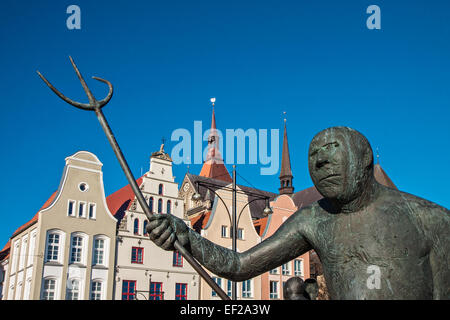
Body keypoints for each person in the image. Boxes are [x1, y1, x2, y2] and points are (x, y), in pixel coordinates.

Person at [147, 126, 450, 299]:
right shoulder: (313, 219)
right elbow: (238, 265)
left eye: (330, 149)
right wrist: (184, 234)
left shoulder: (432, 219)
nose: (319, 163)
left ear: (365, 156)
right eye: (313, 157)